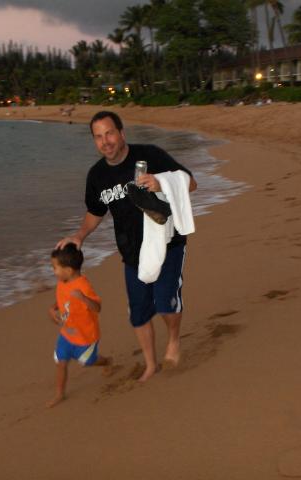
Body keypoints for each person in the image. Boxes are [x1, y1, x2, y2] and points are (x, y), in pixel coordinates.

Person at [56, 111, 197, 382]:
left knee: (166, 304)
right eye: (98, 137)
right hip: (131, 252)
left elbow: (190, 183)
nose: (105, 141)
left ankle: (173, 340)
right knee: (138, 314)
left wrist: (161, 182)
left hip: (168, 244)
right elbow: (95, 211)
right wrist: (80, 235)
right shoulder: (96, 175)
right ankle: (150, 364)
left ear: (121, 133)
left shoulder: (150, 155)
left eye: (109, 133)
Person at [47, 243, 111, 408]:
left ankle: (106, 361)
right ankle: (59, 393)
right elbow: (63, 299)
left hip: (85, 336)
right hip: (66, 334)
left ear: (68, 270)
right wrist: (53, 308)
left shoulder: (83, 286)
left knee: (88, 361)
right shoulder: (62, 282)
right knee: (61, 362)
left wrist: (83, 298)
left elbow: (97, 307)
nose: (53, 271)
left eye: (55, 267)